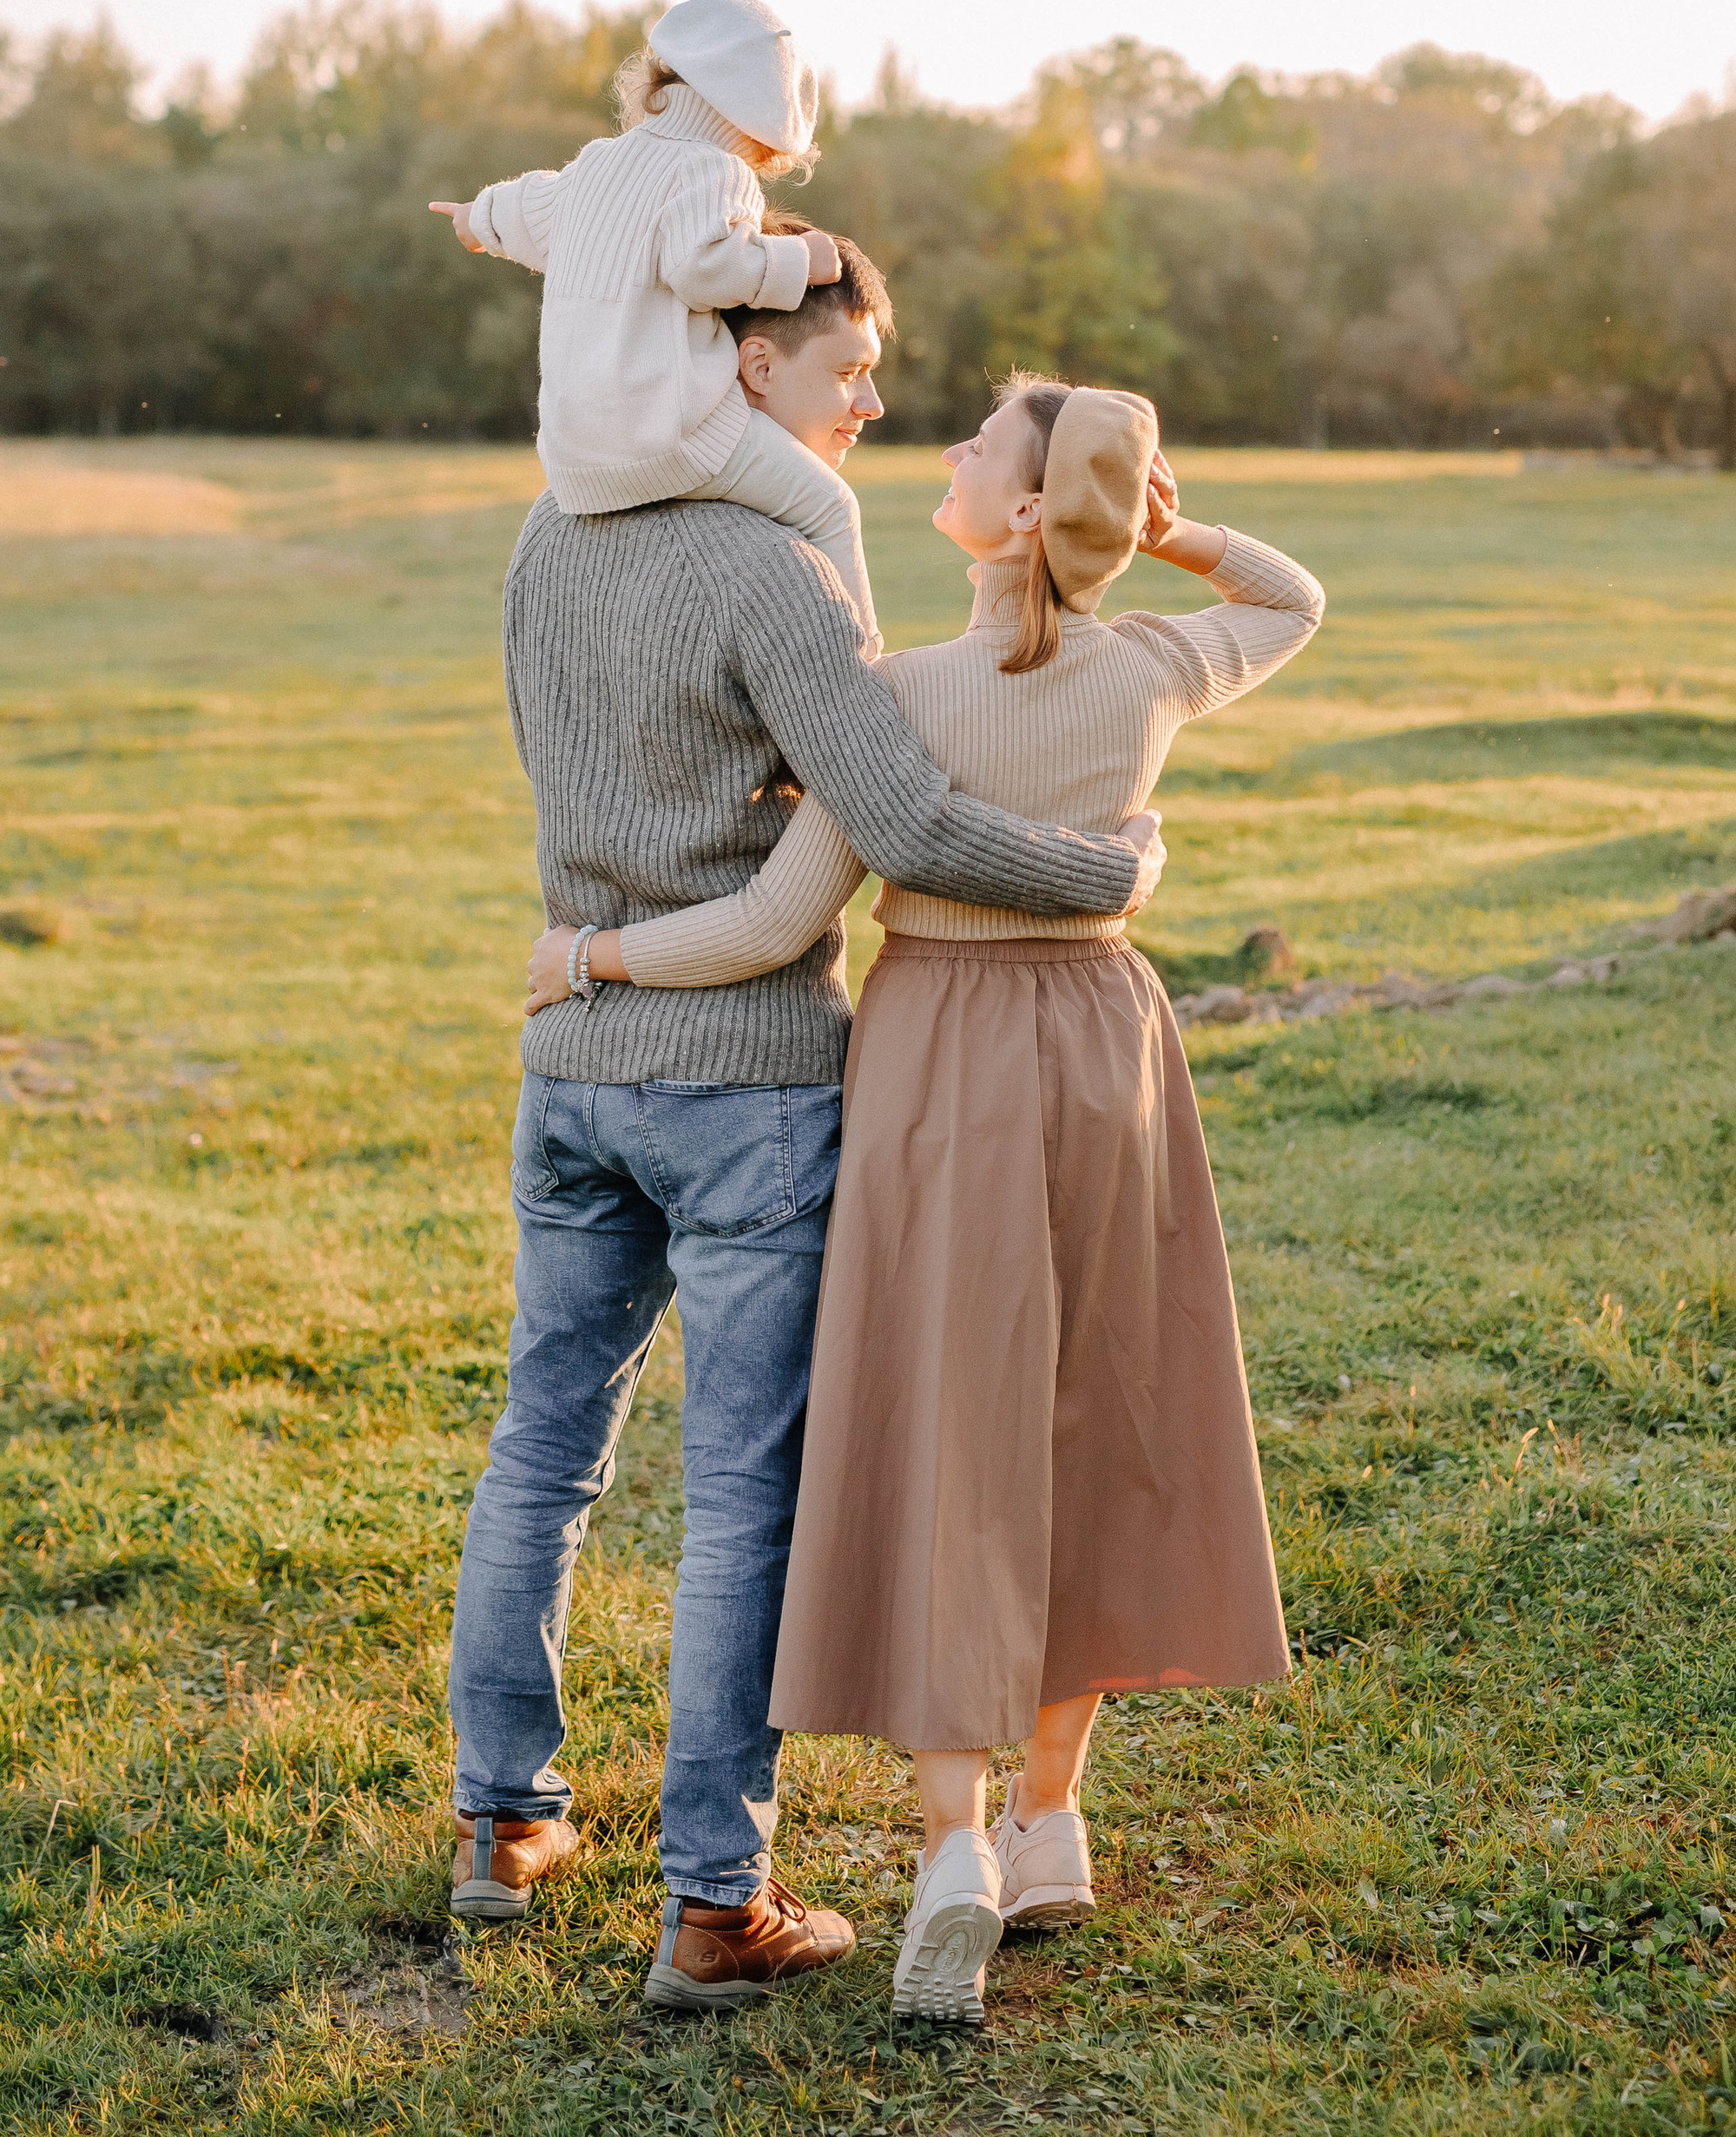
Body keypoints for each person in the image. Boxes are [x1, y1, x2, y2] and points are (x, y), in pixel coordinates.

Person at [529, 378, 1324, 2022]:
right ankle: (1053, 1821)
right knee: (1088, 1414)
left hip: (938, 1056)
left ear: (1024, 514)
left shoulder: (887, 704)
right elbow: (1295, 600)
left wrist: (591, 957)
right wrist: (1169, 536)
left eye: (983, 448)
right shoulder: (1162, 666)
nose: (947, 454)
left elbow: (766, 926)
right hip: (1104, 1040)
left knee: (951, 1425)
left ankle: (953, 1845)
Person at [447, 255, 1168, 2016]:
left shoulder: (552, 533)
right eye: (842, 371)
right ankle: (714, 1905)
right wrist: (1107, 873)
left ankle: (500, 1827)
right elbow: (905, 813)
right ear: (742, 365)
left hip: (574, 1062)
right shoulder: (778, 568)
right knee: (734, 1491)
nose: (863, 405)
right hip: (743, 1086)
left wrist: (592, 951)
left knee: (543, 1444)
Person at [432, 0, 880, 651]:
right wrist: (801, 260)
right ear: (765, 123)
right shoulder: (716, 170)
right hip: (670, 441)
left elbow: (530, 209)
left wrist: (478, 219)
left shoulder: (598, 164)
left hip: (576, 464)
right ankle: (862, 658)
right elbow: (705, 268)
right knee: (831, 507)